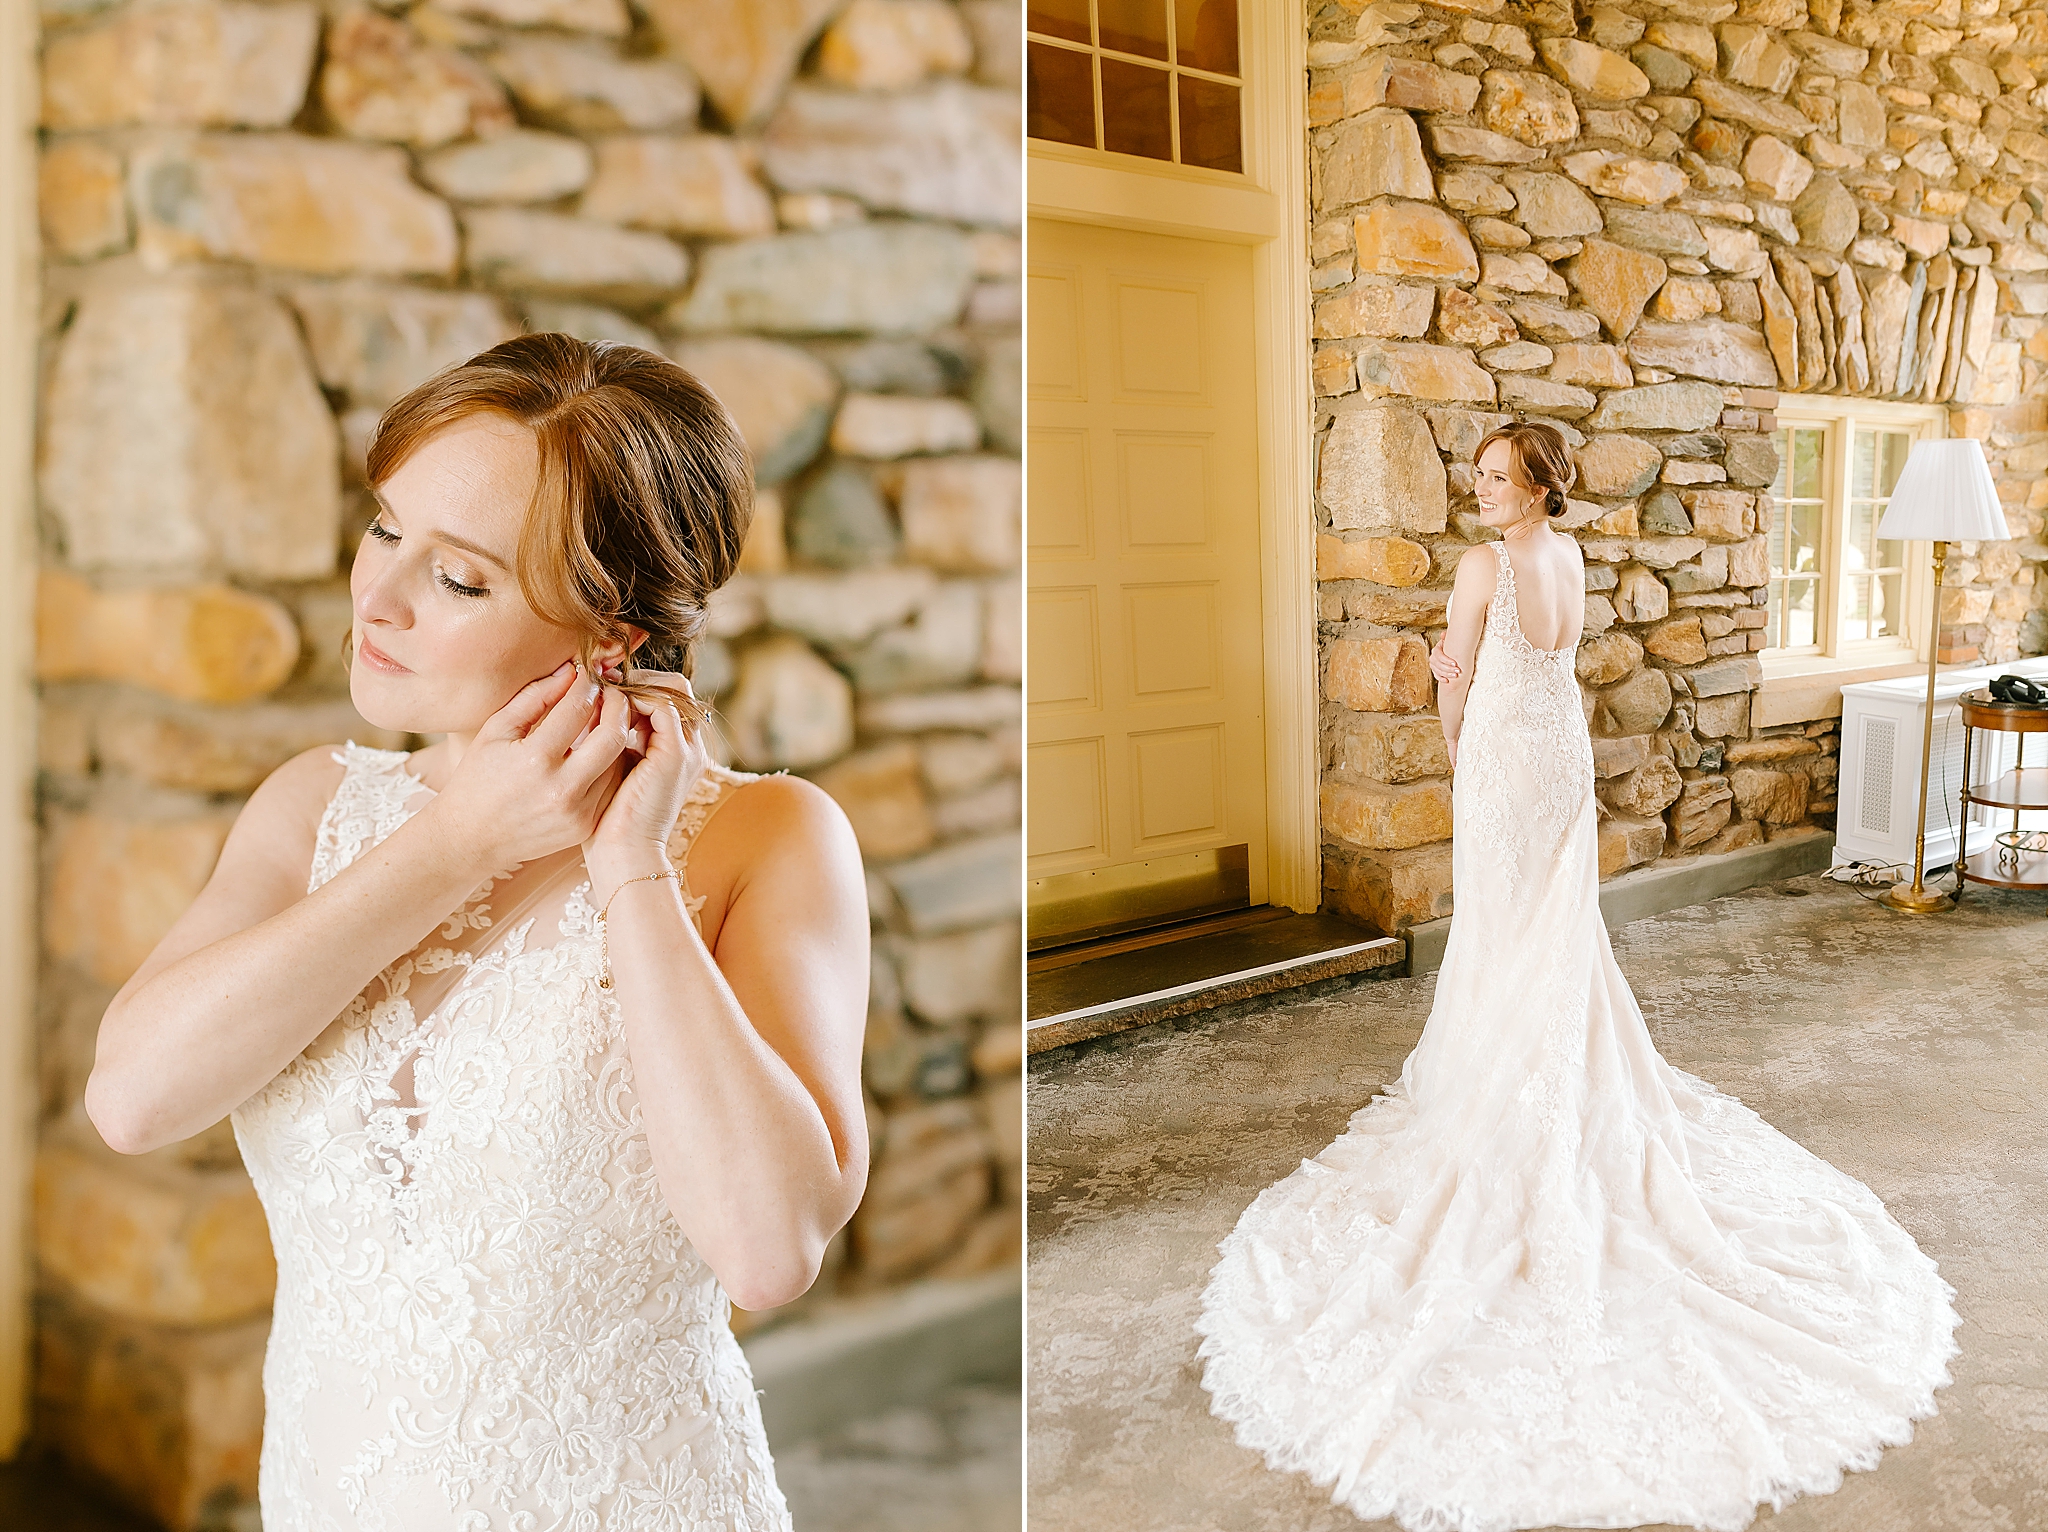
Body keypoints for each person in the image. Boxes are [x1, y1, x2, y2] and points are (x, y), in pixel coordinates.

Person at [83, 334, 872, 1530]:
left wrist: (631, 869)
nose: (378, 598)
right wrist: (454, 844)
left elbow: (769, 1249)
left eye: (459, 580)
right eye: (385, 528)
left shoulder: (768, 840)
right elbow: (132, 1098)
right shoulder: (313, 810)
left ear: (610, 631)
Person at [1193, 420, 1959, 1532]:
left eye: (1498, 476)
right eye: (1480, 474)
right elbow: (1548, 665)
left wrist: (1450, 719)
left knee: (1504, 932)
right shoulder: (1569, 560)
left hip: (1505, 765)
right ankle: (1542, 1066)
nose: (1481, 488)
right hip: (1557, 760)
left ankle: (1505, 1096)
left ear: (1537, 486)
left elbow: (1455, 692)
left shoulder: (1482, 564)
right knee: (1550, 930)